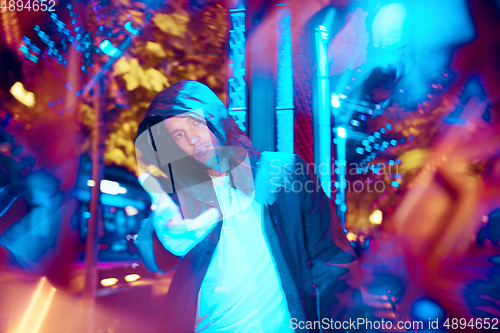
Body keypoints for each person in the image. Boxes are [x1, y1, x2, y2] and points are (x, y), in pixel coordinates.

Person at [134, 80, 365, 332]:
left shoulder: (282, 172)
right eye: (178, 134)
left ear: (214, 118)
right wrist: (162, 238)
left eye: (195, 123)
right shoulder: (180, 195)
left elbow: (332, 260)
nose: (192, 139)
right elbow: (155, 258)